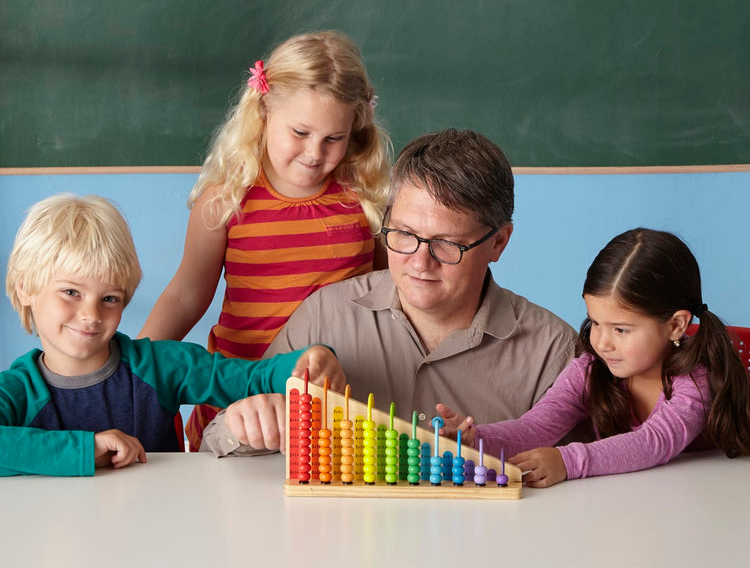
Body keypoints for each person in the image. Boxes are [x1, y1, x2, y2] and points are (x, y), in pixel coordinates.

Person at [202, 128, 578, 456]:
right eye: (404, 235)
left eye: (447, 244)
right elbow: (213, 446)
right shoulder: (324, 317)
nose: (419, 262)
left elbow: (589, 489)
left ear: (499, 242)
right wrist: (242, 426)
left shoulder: (553, 353)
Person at [138, 31, 391, 450]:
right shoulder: (225, 200)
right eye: (300, 132)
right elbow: (186, 295)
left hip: (333, 410)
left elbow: (389, 302)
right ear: (263, 111)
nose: (315, 153)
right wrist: (129, 365)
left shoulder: (366, 202)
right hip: (241, 407)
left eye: (334, 139)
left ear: (355, 129)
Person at [1, 193, 344, 477]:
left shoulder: (160, 365)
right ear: (25, 289)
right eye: (71, 292)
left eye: (109, 299)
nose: (91, 314)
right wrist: (84, 449)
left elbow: (250, 379)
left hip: (160, 532)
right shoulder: (16, 390)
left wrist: (305, 362)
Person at [439, 228, 750, 487]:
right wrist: (476, 439)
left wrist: (567, 460)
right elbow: (537, 427)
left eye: (621, 330)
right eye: (596, 322)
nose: (601, 342)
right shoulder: (590, 369)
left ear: (676, 325)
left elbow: (654, 442)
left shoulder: (695, 381)